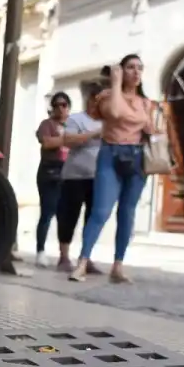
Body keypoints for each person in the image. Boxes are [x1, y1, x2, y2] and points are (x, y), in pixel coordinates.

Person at [69, 54, 162, 283]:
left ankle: (118, 266)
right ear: (120, 71)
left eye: (140, 68)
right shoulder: (107, 96)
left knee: (127, 213)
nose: (136, 72)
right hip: (110, 156)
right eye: (130, 67)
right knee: (100, 211)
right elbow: (116, 113)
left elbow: (151, 130)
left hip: (137, 158)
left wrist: (157, 129)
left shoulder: (146, 103)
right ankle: (82, 262)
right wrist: (116, 82)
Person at [55, 81, 106, 274]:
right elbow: (68, 141)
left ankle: (86, 258)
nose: (96, 105)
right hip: (74, 176)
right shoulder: (76, 119)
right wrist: (94, 134)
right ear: (89, 100)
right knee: (68, 216)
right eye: (94, 100)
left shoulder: (107, 122)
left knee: (92, 218)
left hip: (98, 178)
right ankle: (64, 257)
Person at [33, 92, 71, 268]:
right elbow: (46, 142)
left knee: (65, 216)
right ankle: (40, 251)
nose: (60, 108)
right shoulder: (46, 124)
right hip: (50, 172)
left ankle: (64, 256)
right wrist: (67, 139)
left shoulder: (73, 124)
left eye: (64, 105)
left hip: (68, 172)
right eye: (56, 105)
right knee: (47, 213)